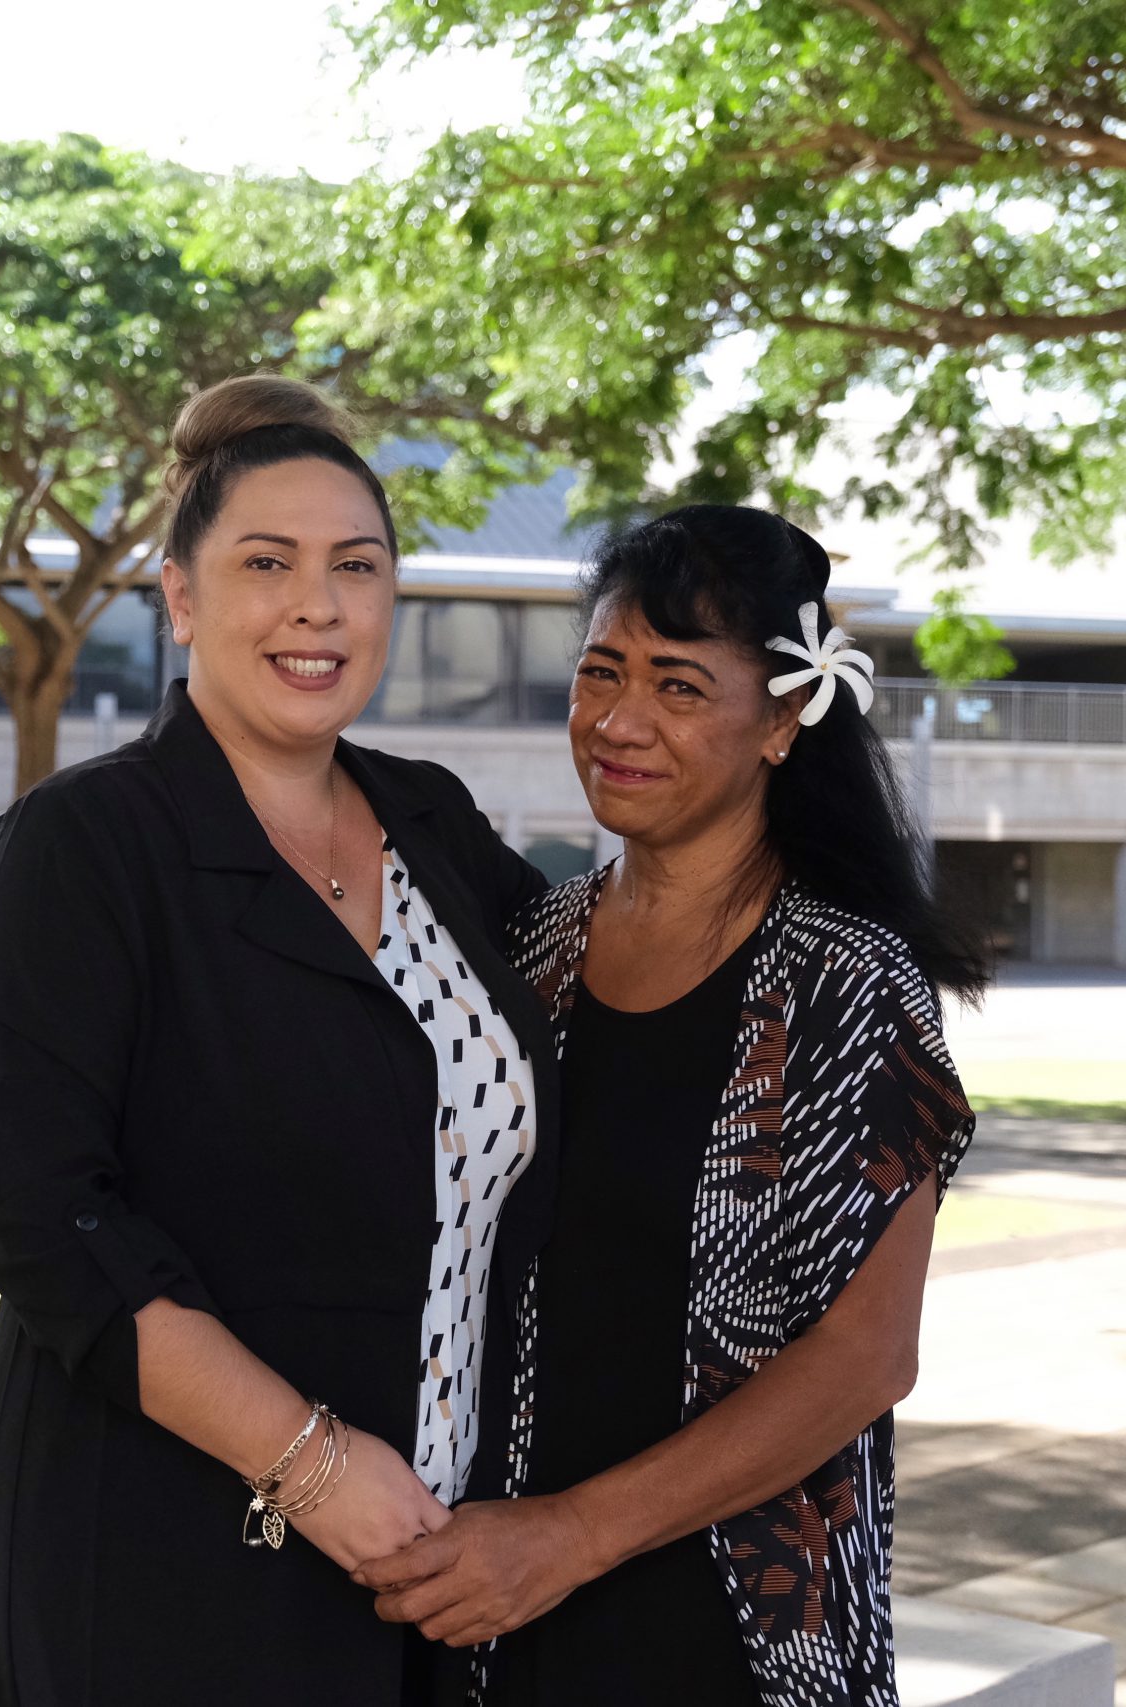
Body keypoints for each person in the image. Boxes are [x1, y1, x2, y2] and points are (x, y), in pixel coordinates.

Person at [0, 375, 560, 1707]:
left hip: (427, 1547)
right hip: (163, 1536)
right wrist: (315, 1463)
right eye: (266, 562)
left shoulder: (432, 821)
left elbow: (606, 976)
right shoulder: (89, 845)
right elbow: (37, 1209)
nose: (317, 604)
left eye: (358, 566)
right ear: (179, 595)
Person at [357, 505, 988, 1706]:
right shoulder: (530, 955)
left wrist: (570, 1537)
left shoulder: (847, 984)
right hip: (494, 1619)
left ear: (785, 720)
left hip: (729, 1629)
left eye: (680, 687)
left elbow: (865, 1358)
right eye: (601, 672)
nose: (618, 722)